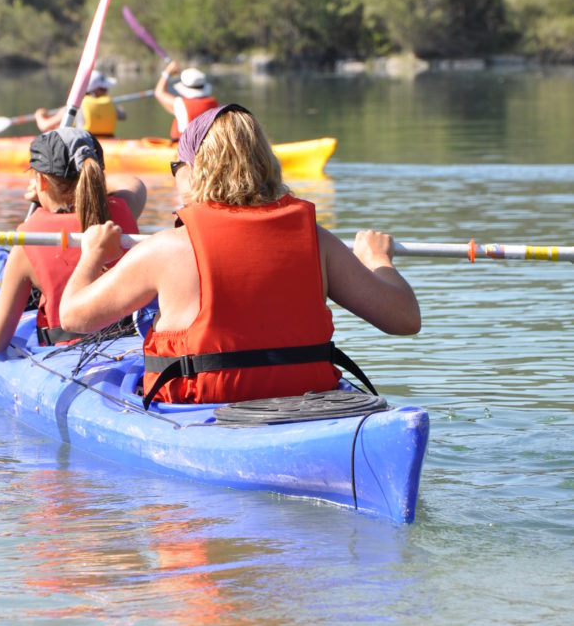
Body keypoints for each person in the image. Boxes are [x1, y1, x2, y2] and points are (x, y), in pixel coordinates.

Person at [59, 104, 421, 408]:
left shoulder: (167, 247)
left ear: (196, 170)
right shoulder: (316, 240)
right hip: (303, 402)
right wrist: (378, 260)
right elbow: (404, 319)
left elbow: (74, 317)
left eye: (176, 168)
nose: (175, 179)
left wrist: (91, 255)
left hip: (206, 408)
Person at [0, 127, 146, 354]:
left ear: (41, 181)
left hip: (68, 353)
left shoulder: (29, 240)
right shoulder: (121, 210)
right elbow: (135, 183)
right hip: (129, 342)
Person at [33, 68, 124, 136]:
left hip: (87, 146)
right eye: (103, 89)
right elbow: (123, 115)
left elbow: (44, 126)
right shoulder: (110, 104)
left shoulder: (74, 107)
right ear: (93, 90)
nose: (106, 91)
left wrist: (39, 115)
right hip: (105, 144)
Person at [153, 60, 218, 141]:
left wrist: (167, 72)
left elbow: (159, 92)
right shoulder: (213, 103)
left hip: (183, 148)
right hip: (205, 146)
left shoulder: (181, 104)